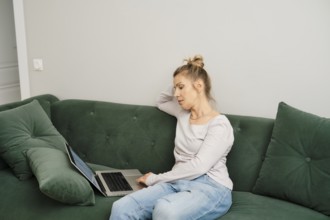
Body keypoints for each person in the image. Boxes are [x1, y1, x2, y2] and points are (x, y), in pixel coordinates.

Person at [109, 55, 234, 220]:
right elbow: (160, 101)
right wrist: (180, 78)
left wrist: (155, 179)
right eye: (175, 89)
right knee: (121, 207)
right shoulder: (182, 113)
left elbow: (199, 167)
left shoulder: (219, 125)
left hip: (210, 186)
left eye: (181, 88)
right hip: (176, 181)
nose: (176, 94)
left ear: (199, 85)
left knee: (165, 211)